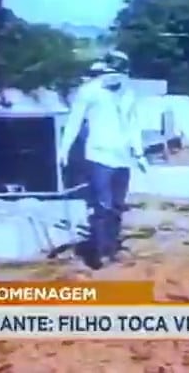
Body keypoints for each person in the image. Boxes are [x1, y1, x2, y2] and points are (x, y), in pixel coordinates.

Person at [58, 50, 146, 270]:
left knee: (117, 206)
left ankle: (112, 248)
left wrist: (139, 153)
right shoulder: (89, 91)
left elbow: (133, 124)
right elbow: (74, 122)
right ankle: (99, 254)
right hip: (99, 156)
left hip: (123, 157)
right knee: (101, 205)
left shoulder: (128, 92)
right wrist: (64, 149)